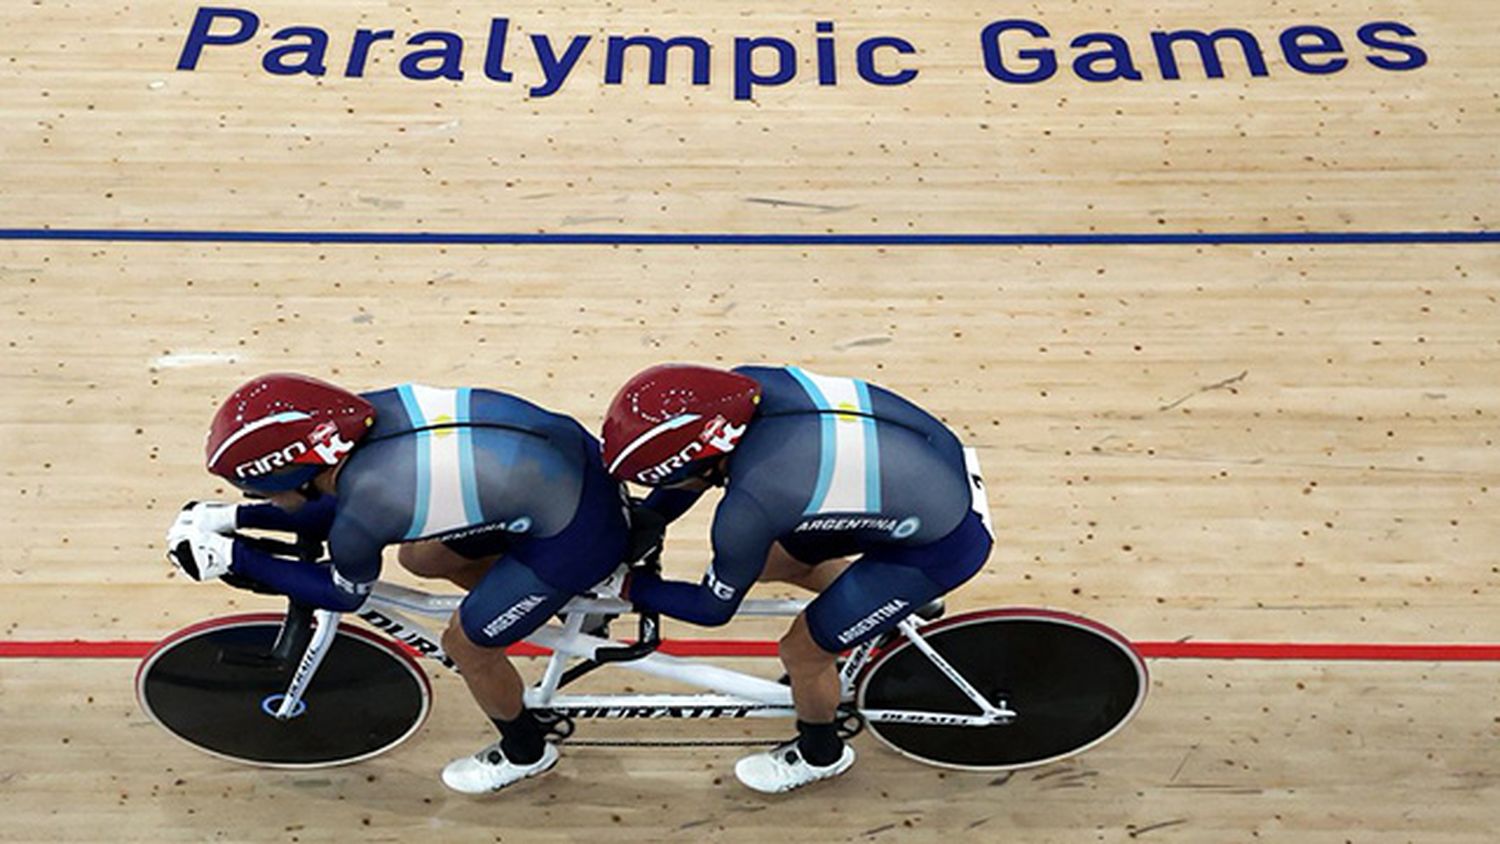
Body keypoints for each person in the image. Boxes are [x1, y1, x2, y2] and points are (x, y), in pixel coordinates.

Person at [165, 373, 631, 794]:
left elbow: (343, 591)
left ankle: (526, 751)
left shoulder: (371, 502)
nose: (261, 499)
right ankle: (564, 601)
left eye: (260, 491)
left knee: (467, 645)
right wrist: (231, 517)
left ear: (300, 473)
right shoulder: (363, 417)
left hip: (580, 531)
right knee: (423, 556)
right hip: (570, 468)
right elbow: (330, 506)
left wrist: (236, 555)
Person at [601, 363, 994, 794]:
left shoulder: (750, 506)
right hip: (928, 468)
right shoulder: (741, 389)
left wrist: (628, 587)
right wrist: (651, 517)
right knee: (769, 562)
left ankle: (821, 754)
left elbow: (712, 610)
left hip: (943, 543)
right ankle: (900, 607)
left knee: (803, 652)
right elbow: (694, 472)